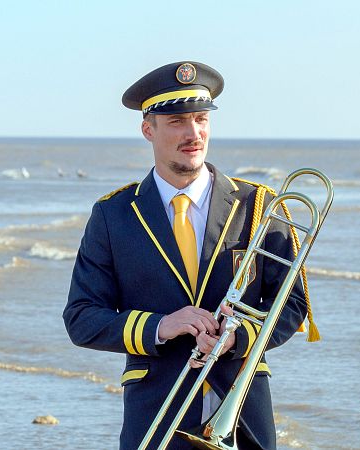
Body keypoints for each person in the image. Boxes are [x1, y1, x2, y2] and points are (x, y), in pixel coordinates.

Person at [63, 61, 312, 450]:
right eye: (178, 121)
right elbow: (81, 318)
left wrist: (236, 337)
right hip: (156, 413)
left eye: (200, 118)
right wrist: (161, 325)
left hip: (243, 411)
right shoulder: (113, 215)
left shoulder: (261, 205)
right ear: (148, 129)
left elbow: (292, 305)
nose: (193, 132)